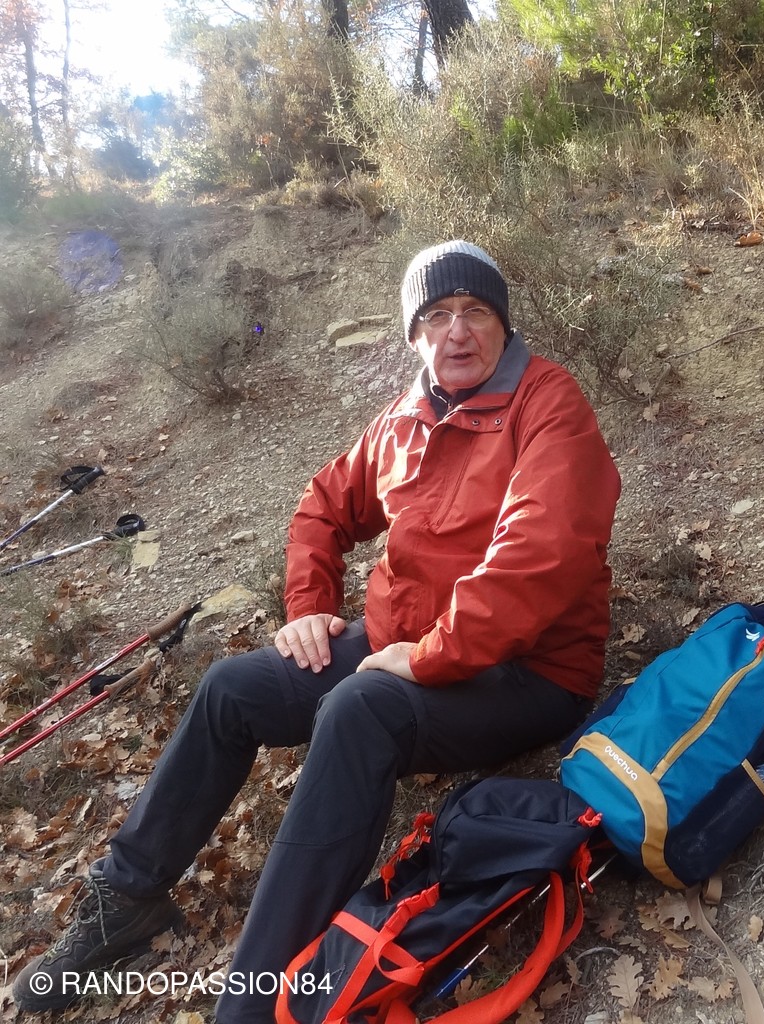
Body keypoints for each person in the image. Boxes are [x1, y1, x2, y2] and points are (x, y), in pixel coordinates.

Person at [12, 240, 621, 1023]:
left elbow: (542, 554)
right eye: (437, 315)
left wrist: (433, 656)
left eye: (476, 311)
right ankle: (127, 899)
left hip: (527, 671)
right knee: (231, 688)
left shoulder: (548, 403)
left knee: (360, 710)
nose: (458, 331)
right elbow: (322, 508)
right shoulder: (403, 420)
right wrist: (307, 604)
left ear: (503, 324)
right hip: (407, 647)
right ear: (414, 335)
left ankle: (256, 1005)